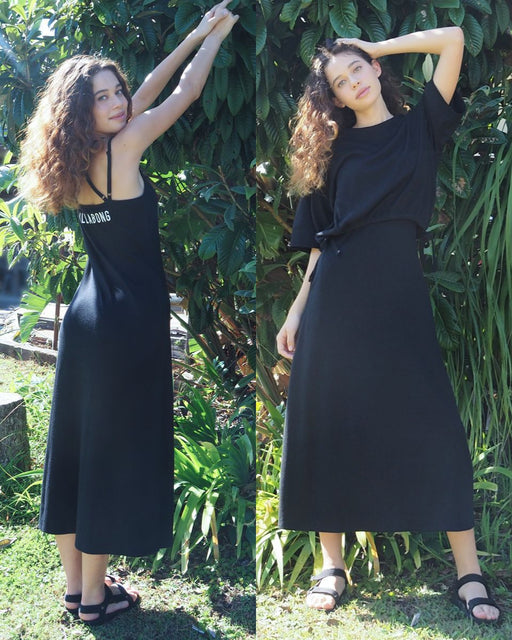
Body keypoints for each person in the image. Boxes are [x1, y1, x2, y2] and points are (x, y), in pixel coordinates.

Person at [18, 1, 238, 626]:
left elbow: (146, 92)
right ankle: (95, 600)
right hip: (127, 322)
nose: (119, 103)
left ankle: (75, 589)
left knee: (76, 453)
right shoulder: (126, 147)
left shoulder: (75, 159)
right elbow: (185, 92)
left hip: (86, 319)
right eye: (105, 97)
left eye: (119, 92)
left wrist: (194, 32)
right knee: (108, 458)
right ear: (82, 111)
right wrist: (215, 38)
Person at [276, 27, 501, 624]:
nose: (352, 83)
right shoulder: (334, 152)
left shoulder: (420, 125)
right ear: (334, 98)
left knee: (435, 426)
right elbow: (321, 241)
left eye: (357, 70)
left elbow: (454, 40)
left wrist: (374, 48)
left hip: (399, 297)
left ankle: (469, 575)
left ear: (375, 70)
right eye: (339, 83)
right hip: (336, 298)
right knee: (329, 424)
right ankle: (332, 565)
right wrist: (297, 310)